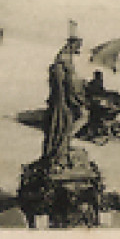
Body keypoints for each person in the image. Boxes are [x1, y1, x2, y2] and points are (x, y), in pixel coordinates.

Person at [41, 27, 88, 166]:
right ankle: (59, 154)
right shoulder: (65, 62)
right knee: (68, 124)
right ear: (73, 44)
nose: (78, 50)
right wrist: (80, 100)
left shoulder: (61, 58)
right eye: (78, 46)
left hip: (58, 101)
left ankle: (58, 151)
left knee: (58, 128)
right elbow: (70, 87)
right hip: (63, 103)